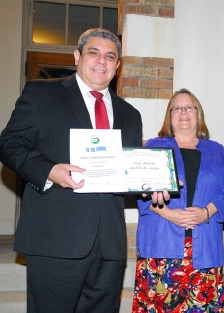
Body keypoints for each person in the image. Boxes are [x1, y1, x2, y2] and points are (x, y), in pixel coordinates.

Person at [0, 28, 143, 313]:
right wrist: (49, 170)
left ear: (117, 67)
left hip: (109, 246)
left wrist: (151, 184)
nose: (101, 61)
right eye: (94, 53)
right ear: (77, 56)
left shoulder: (130, 114)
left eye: (110, 56)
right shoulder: (42, 93)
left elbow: (127, 171)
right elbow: (9, 144)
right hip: (56, 238)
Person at [132, 88, 224, 312]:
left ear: (198, 113)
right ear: (170, 116)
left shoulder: (219, 153)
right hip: (161, 247)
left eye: (189, 107)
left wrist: (205, 212)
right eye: (176, 108)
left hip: (204, 249)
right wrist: (168, 214)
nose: (183, 112)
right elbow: (139, 191)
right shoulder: (152, 147)